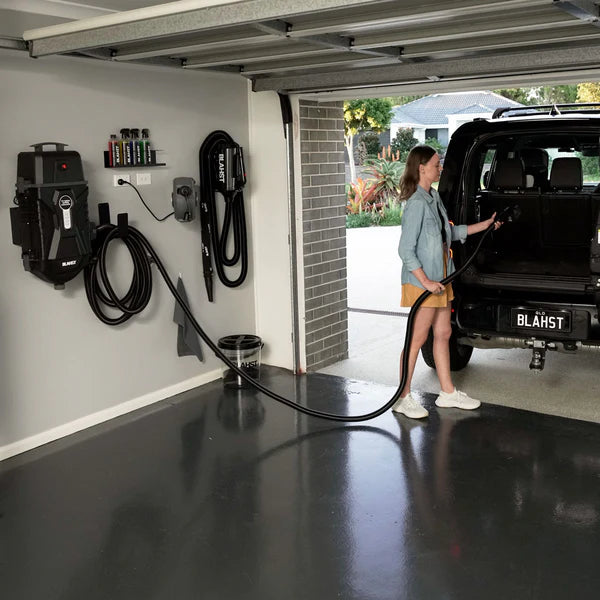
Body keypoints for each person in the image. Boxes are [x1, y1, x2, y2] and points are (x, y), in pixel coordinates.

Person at [392, 145, 502, 419]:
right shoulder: (416, 204)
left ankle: (448, 393)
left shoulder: (433, 198)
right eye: (436, 164)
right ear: (421, 168)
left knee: (443, 334)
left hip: (442, 278)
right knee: (417, 340)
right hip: (423, 284)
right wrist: (426, 281)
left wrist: (484, 225)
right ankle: (403, 397)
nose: (440, 168)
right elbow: (405, 250)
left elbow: (449, 232)